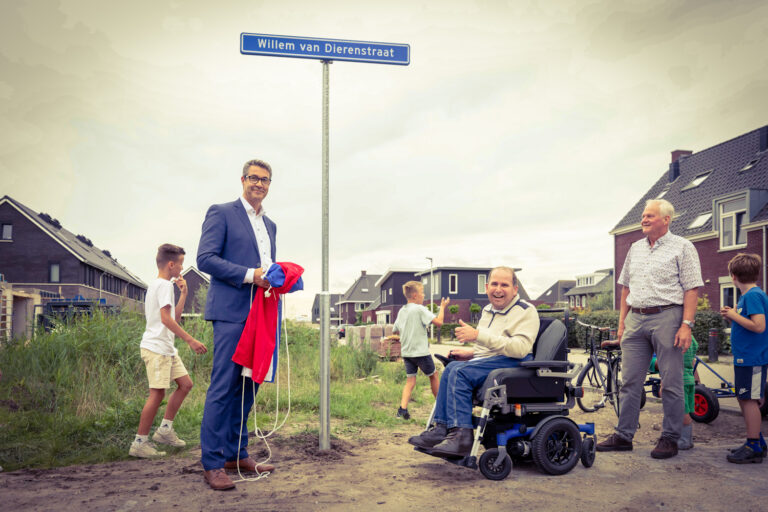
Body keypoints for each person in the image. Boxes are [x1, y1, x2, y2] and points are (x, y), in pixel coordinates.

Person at [596, 199, 702, 459]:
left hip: (668, 316)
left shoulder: (683, 247)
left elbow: (692, 289)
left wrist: (686, 325)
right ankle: (624, 435)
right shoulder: (635, 248)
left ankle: (670, 437)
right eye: (643, 215)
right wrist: (622, 325)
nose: (643, 219)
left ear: (666, 219)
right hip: (636, 318)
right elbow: (626, 288)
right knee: (629, 381)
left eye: (650, 216)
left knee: (671, 381)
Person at [197, 159, 278, 490]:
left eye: (265, 180)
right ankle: (213, 463)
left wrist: (277, 278)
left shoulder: (270, 224)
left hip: (262, 312)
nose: (259, 184)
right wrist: (250, 276)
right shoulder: (221, 212)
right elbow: (205, 259)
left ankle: (235, 452)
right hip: (231, 313)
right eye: (254, 178)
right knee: (224, 385)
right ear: (243, 180)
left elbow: (267, 267)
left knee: (249, 385)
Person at [408, 267, 539, 457]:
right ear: (487, 287)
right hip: (492, 360)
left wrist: (478, 335)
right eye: (494, 284)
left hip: (514, 363)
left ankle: (462, 438)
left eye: (504, 285)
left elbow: (520, 349)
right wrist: (471, 353)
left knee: (460, 372)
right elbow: (488, 347)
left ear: (515, 289)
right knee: (452, 366)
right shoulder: (487, 310)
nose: (498, 289)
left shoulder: (526, 311)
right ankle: (441, 428)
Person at [129, 244, 208, 459]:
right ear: (171, 264)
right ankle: (139, 443)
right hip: (156, 348)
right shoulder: (163, 285)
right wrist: (190, 340)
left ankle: (164, 430)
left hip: (166, 348)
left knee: (185, 384)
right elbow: (165, 320)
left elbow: (173, 318)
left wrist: (183, 294)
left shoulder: (161, 286)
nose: (182, 268)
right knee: (157, 394)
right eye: (181, 263)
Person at [720, 253, 768, 464]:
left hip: (753, 359)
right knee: (744, 397)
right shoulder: (749, 296)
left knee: (749, 400)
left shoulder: (753, 296)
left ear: (733, 276)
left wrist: (733, 316)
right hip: (746, 359)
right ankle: (755, 439)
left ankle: (753, 446)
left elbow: (759, 326)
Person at [392, 281, 449, 420]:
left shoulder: (402, 310)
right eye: (423, 293)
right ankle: (441, 407)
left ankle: (402, 410)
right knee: (434, 376)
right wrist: (442, 307)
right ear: (416, 295)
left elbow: (396, 330)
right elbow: (439, 322)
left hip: (407, 353)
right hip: (420, 352)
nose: (424, 296)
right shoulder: (419, 309)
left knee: (410, 381)